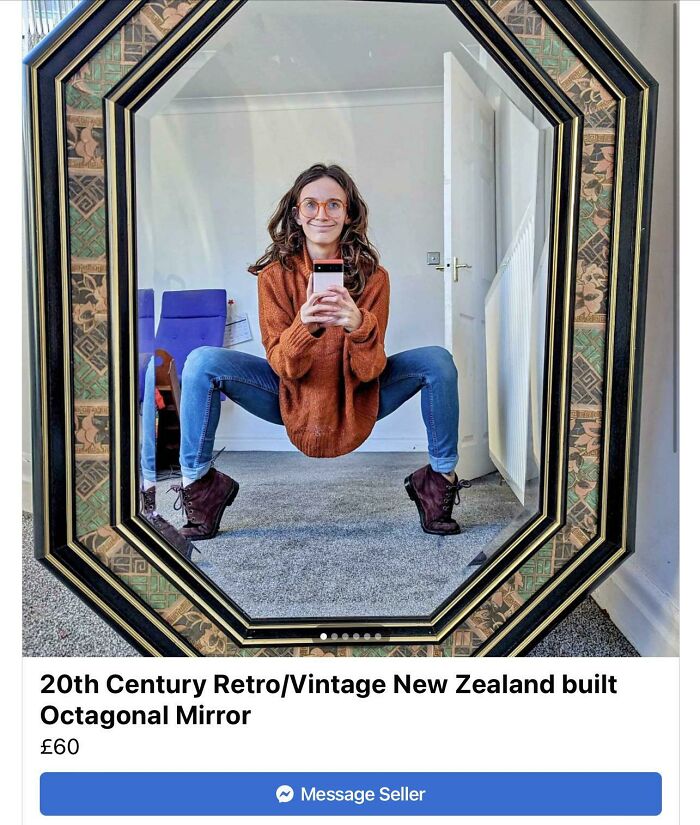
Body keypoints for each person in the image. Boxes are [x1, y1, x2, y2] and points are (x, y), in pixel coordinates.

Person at [165, 163, 470, 541]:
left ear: (349, 213)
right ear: (296, 213)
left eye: (333, 205)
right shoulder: (274, 276)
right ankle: (201, 486)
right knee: (201, 362)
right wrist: (304, 328)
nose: (321, 214)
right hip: (288, 395)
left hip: (359, 393)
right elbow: (283, 366)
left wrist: (359, 326)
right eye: (310, 204)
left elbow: (371, 369)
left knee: (437, 360)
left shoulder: (375, 276)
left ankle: (439, 480)